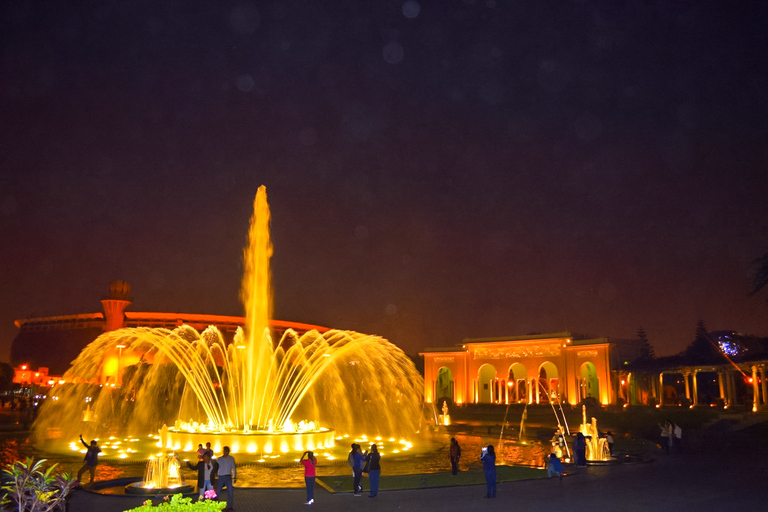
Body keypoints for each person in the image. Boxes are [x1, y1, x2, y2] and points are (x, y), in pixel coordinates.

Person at [215, 446, 236, 511]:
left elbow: (233, 468)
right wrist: (215, 474)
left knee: (230, 492)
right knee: (218, 491)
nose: (226, 452)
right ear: (223, 451)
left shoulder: (231, 459)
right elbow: (216, 467)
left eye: (227, 451)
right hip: (221, 476)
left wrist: (234, 476)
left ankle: (230, 506)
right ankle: (215, 504)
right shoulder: (219, 459)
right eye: (225, 451)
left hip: (228, 476)